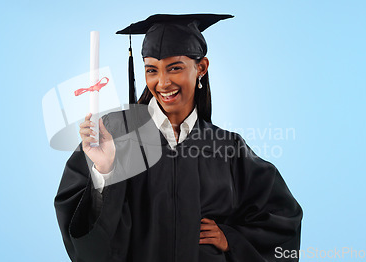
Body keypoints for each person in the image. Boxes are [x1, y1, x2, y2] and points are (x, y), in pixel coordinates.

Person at [55, 14, 302, 262]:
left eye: (175, 68)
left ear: (201, 68)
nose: (163, 82)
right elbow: (84, 236)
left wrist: (232, 239)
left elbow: (282, 218)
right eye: (152, 70)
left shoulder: (227, 147)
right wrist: (105, 171)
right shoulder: (112, 133)